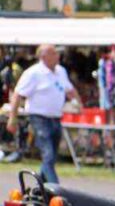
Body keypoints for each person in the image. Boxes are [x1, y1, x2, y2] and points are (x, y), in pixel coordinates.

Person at [6, 44, 80, 183]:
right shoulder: (33, 73)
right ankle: (56, 189)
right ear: (43, 56)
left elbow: (70, 89)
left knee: (51, 157)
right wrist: (12, 118)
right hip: (39, 118)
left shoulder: (60, 71)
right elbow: (18, 94)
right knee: (48, 155)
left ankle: (40, 188)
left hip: (56, 118)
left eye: (56, 53)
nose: (57, 56)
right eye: (53, 53)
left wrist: (79, 103)